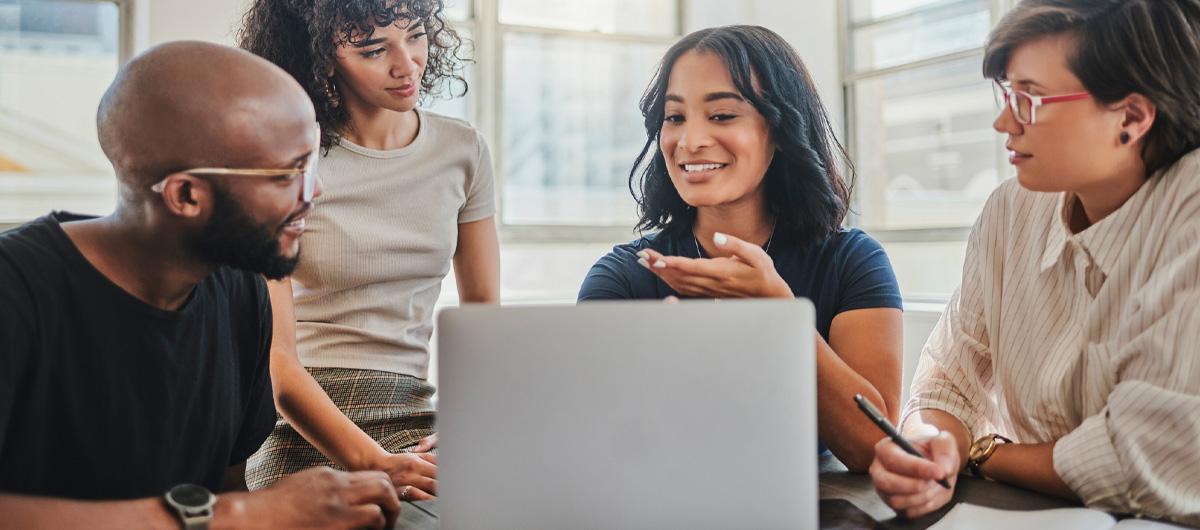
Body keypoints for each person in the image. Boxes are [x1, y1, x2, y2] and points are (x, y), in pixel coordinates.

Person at [0, 41, 400, 529]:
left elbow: (228, 490)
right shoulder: (16, 292)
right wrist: (234, 516)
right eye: (288, 173)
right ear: (186, 195)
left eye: (311, 163)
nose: (313, 190)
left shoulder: (240, 291)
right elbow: (228, 510)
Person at [868, 1, 1200, 526]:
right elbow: (946, 384)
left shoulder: (1191, 206)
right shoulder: (1011, 209)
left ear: (1132, 117)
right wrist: (932, 444)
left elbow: (1143, 459)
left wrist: (980, 454)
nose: (1004, 120)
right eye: (1007, 93)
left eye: (1030, 99)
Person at [577, 25, 904, 472]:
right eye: (675, 118)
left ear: (781, 129)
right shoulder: (622, 276)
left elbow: (876, 447)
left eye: (722, 116)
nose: (690, 142)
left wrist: (780, 314)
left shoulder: (852, 262)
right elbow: (595, 439)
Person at [238, 0, 499, 499]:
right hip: (302, 421)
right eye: (375, 48)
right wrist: (375, 463)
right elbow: (278, 363)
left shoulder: (463, 151)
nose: (407, 65)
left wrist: (472, 423)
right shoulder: (288, 161)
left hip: (415, 411)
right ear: (320, 55)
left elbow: (485, 317)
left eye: (416, 35)